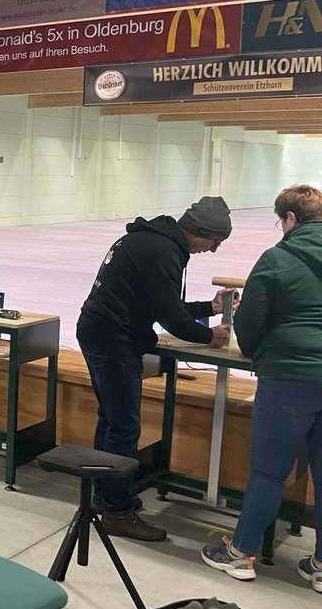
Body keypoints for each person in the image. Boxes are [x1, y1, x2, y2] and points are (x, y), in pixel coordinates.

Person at [77, 195, 233, 542]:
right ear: (200, 231)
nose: (213, 249)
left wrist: (208, 307)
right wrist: (209, 336)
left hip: (102, 332)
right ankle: (116, 511)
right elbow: (171, 317)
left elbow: (161, 303)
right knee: (123, 426)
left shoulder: (153, 241)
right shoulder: (162, 252)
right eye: (214, 241)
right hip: (112, 339)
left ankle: (106, 495)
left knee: (111, 420)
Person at [202, 186, 322, 587]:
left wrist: (255, 352)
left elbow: (250, 321)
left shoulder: (278, 257)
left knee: (269, 473)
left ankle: (239, 554)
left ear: (290, 219)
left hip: (289, 376)